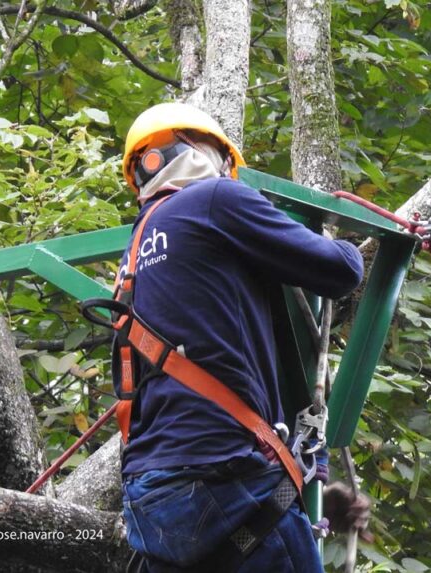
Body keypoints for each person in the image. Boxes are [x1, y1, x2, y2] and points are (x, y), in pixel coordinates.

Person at [113, 102, 368, 572]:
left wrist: (312, 492)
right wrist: (349, 242)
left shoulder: (132, 257)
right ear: (208, 153)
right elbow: (341, 272)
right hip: (225, 480)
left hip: (154, 496)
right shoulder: (212, 200)